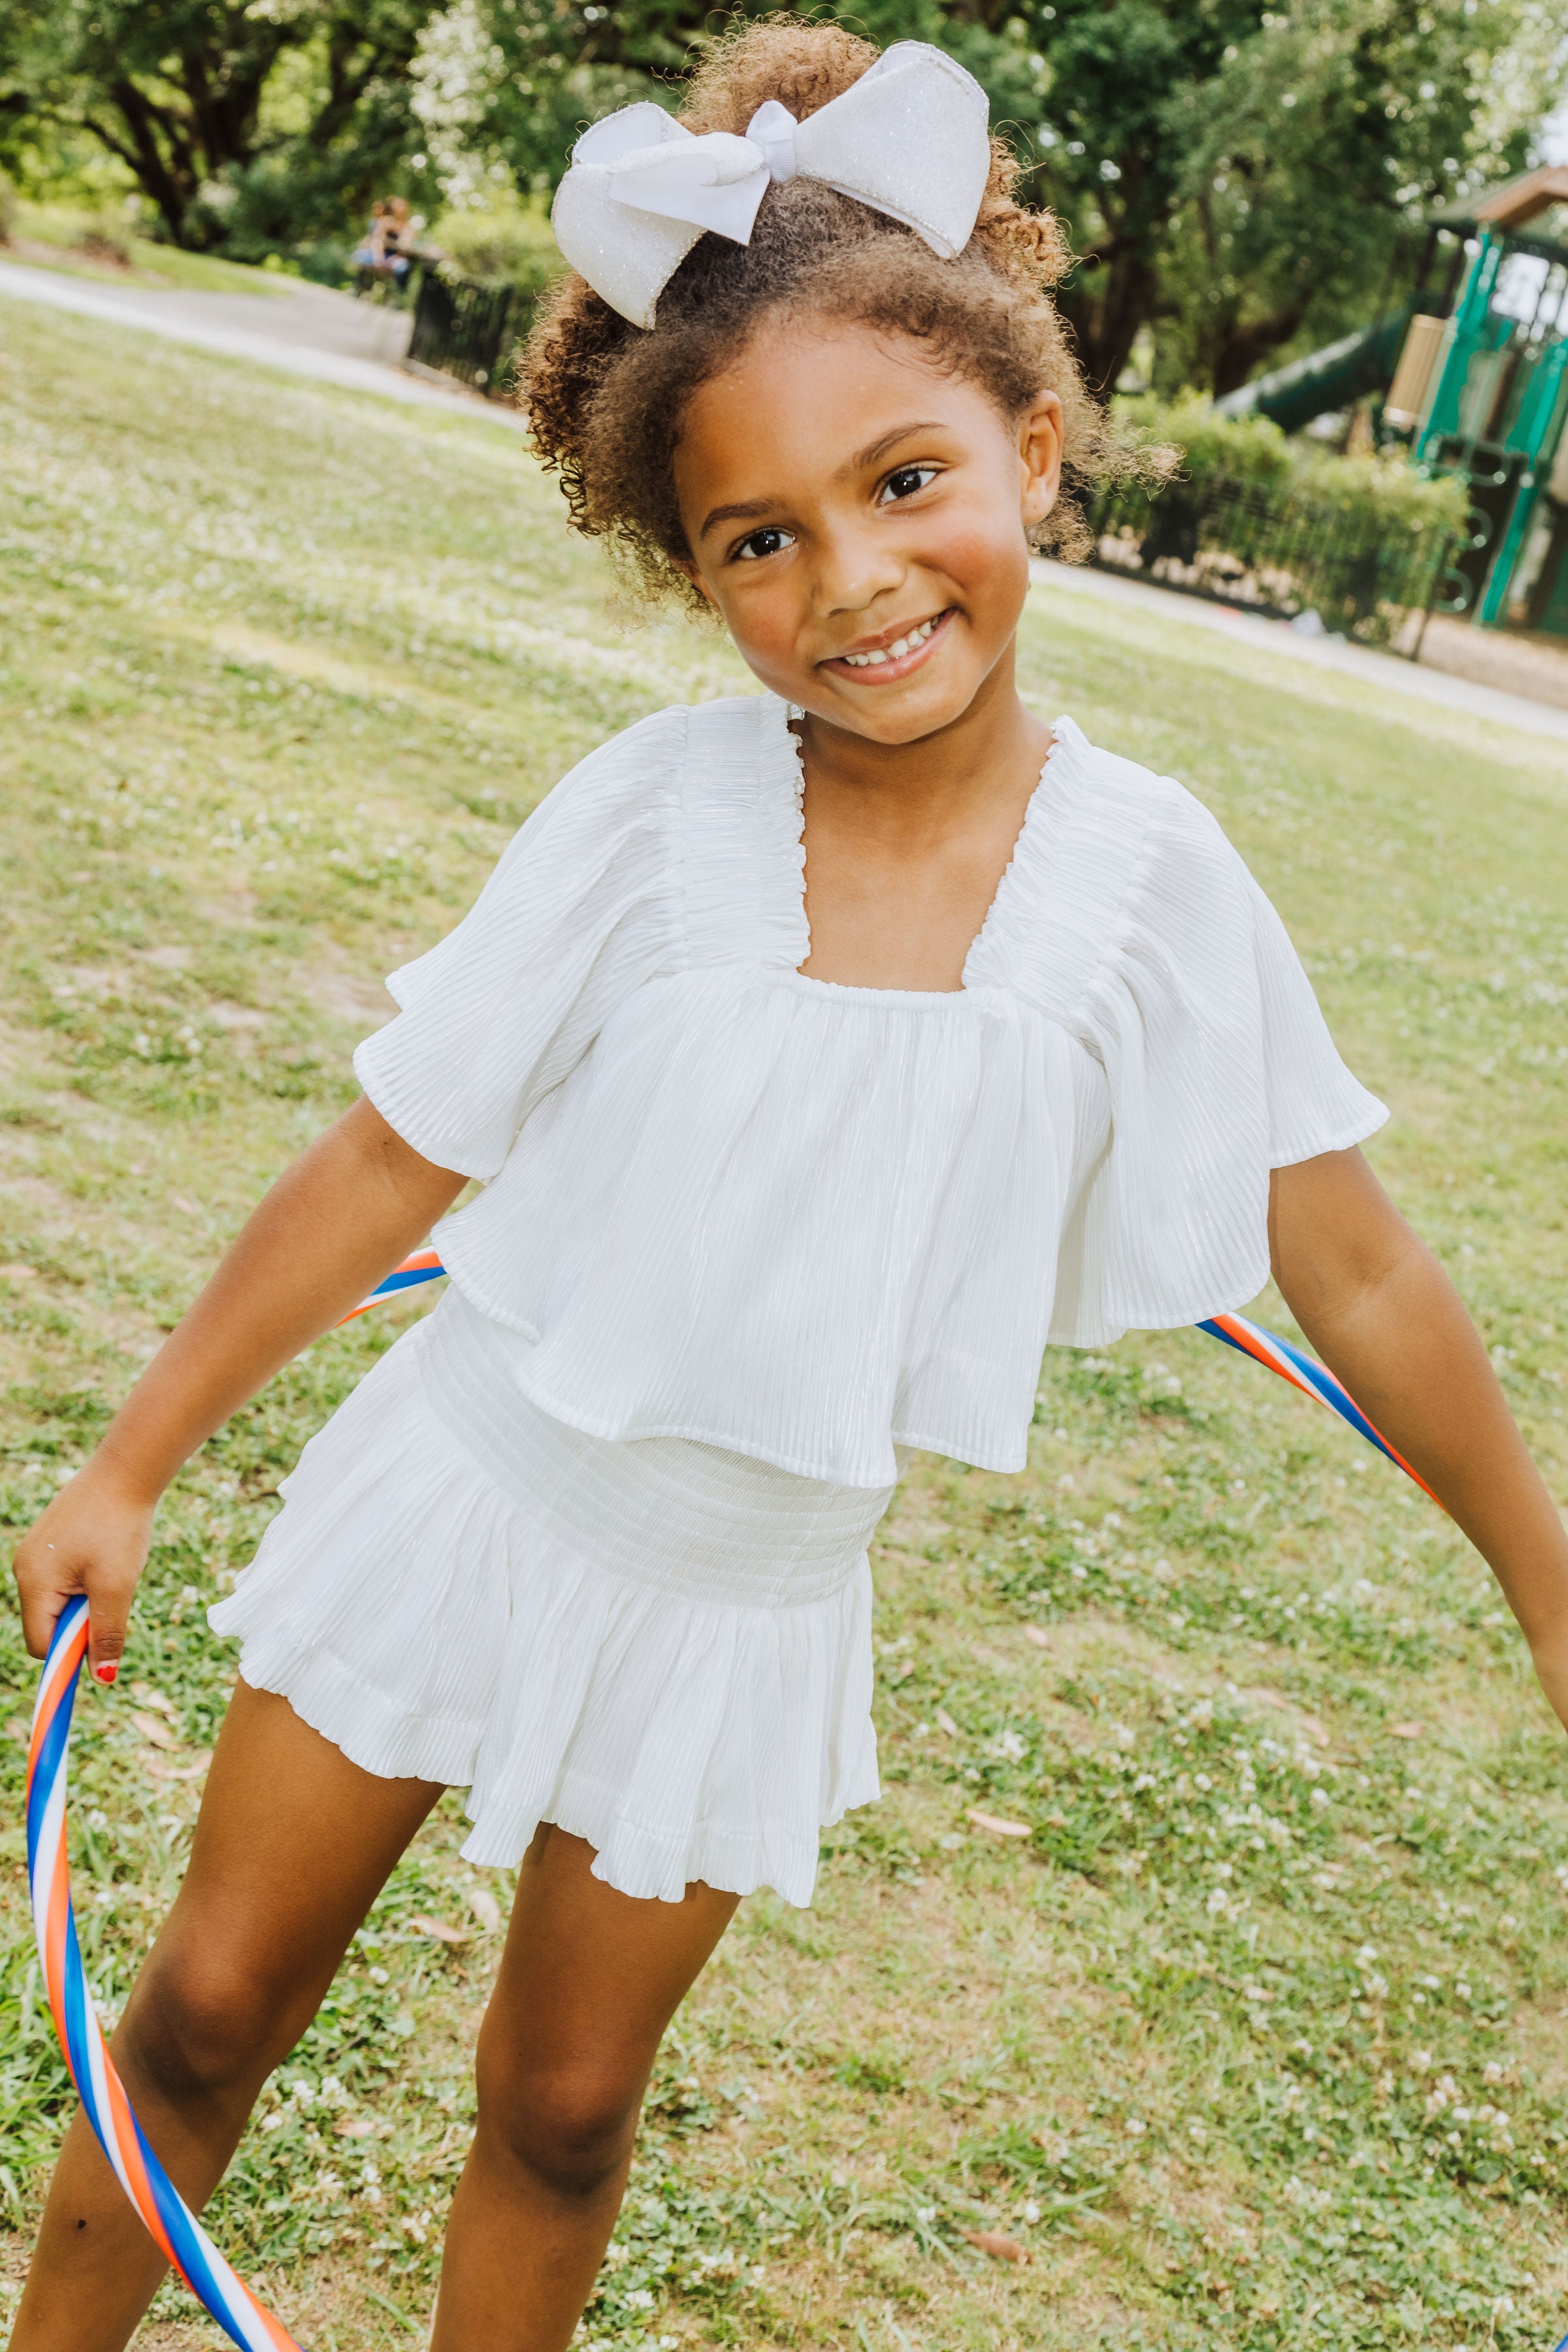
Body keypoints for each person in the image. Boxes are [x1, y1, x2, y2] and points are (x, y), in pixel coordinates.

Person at [10, 22, 1568, 2351]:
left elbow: (1344, 1255)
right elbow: (391, 1148)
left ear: (1034, 447)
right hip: (466, 1490)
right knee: (202, 2025)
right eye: (762, 537)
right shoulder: (659, 814)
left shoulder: (1152, 882)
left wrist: (1549, 1589)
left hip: (744, 1602)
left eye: (907, 479)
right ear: (696, 570)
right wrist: (136, 1459)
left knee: (561, 2112)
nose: (852, 580)